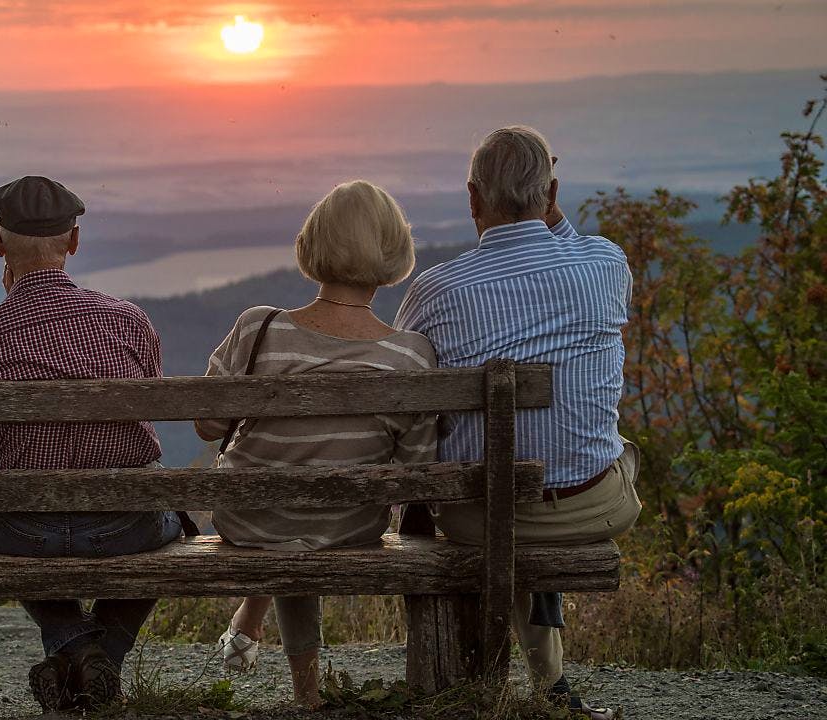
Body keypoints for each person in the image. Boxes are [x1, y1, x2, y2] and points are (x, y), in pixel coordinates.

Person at [394, 126, 640, 720]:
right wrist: (552, 218)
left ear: (472, 199)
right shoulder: (605, 264)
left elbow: (408, 394)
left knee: (500, 475)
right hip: (593, 506)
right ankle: (549, 683)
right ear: (551, 193)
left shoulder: (436, 291)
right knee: (609, 449)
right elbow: (571, 248)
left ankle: (503, 679)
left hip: (478, 517)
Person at [197, 180, 437, 708]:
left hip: (249, 520)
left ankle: (291, 672)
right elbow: (418, 471)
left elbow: (208, 426)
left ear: (312, 246)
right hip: (347, 525)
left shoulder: (258, 328)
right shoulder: (410, 357)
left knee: (288, 501)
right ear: (394, 252)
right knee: (309, 503)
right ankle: (299, 685)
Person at [0, 176, 182, 712]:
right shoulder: (128, 321)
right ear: (73, 241)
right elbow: (146, 409)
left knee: (18, 523)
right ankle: (103, 655)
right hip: (126, 526)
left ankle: (71, 648)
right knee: (176, 525)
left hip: (26, 531)